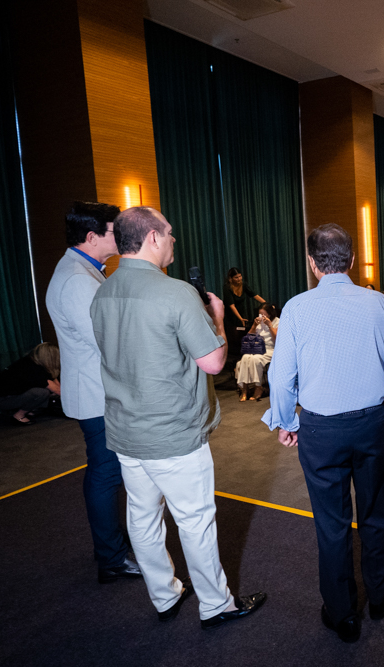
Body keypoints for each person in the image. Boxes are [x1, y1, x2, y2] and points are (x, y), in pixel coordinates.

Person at [92, 207, 265, 629]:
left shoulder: (102, 292)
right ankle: (216, 604)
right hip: (172, 433)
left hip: (125, 430)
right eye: (169, 234)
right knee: (195, 521)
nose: (173, 241)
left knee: (143, 518)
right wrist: (219, 322)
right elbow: (213, 362)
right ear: (152, 238)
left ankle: (164, 595)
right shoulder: (174, 293)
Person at [262, 223, 384, 642]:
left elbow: (280, 377)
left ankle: (343, 615)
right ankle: (378, 600)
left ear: (312, 264)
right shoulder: (379, 302)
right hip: (372, 424)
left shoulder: (295, 308)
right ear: (350, 259)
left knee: (332, 524)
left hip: (320, 429)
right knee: (376, 513)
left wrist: (285, 423)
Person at [44, 200, 140, 584]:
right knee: (105, 473)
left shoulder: (85, 271)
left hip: (98, 391)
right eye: (113, 231)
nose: (118, 237)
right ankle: (111, 558)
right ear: (91, 236)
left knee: (106, 472)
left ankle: (112, 547)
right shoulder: (76, 279)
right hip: (96, 396)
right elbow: (106, 340)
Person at [0, 343, 61, 425]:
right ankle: (19, 415)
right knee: (42, 393)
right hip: (1, 400)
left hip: (2, 396)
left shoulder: (31, 361)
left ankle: (30, 410)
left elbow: (54, 381)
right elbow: (57, 390)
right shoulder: (33, 369)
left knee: (45, 391)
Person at [235, 303, 279, 401]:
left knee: (255, 359)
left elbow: (278, 339)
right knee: (245, 357)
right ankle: (245, 389)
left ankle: (258, 387)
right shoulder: (259, 323)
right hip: (256, 348)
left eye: (264, 315)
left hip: (271, 349)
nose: (262, 317)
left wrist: (270, 326)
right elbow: (248, 337)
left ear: (270, 314)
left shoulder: (277, 322)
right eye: (260, 314)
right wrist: (254, 325)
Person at [223, 267, 266, 360]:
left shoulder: (243, 285)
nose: (239, 279)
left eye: (240, 276)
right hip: (232, 317)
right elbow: (231, 306)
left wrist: (266, 305)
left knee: (242, 337)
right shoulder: (227, 288)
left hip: (242, 315)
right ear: (230, 278)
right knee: (234, 339)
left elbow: (254, 295)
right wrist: (240, 318)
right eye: (236, 277)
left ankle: (243, 359)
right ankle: (235, 363)